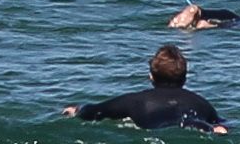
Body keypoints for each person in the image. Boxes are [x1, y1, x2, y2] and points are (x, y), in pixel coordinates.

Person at [64, 45, 227, 132]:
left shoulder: (135, 101)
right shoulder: (203, 104)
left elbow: (95, 111)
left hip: (159, 133)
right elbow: (224, 124)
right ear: (185, 77)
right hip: (196, 127)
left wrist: (78, 109)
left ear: (151, 76)